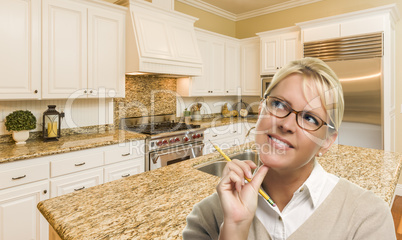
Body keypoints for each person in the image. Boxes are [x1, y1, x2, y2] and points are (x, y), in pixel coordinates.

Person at [183, 57, 396, 240]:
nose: (286, 124)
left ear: (327, 142)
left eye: (310, 118)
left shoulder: (367, 218)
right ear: (260, 111)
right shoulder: (208, 216)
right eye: (278, 105)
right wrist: (235, 230)